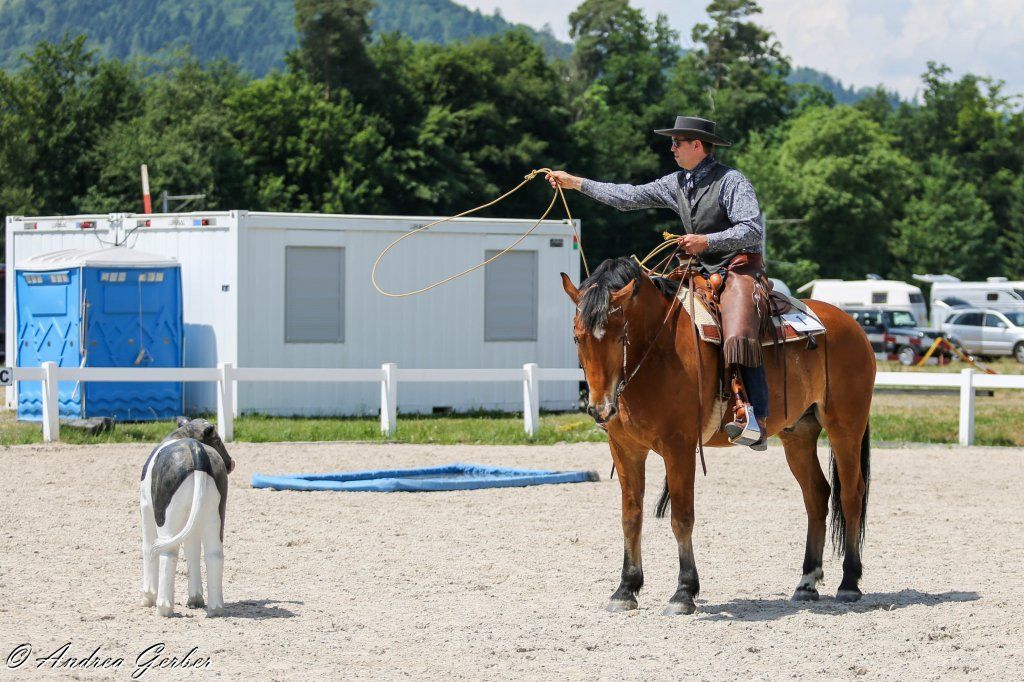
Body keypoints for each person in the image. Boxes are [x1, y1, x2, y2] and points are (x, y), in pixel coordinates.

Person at [547, 116, 769, 450]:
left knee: (737, 330)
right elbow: (628, 197)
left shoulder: (731, 181)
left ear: (697, 145)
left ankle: (754, 416)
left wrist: (706, 241)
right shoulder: (676, 182)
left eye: (677, 142)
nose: (672, 148)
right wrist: (575, 183)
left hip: (738, 268)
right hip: (697, 270)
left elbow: (752, 229)